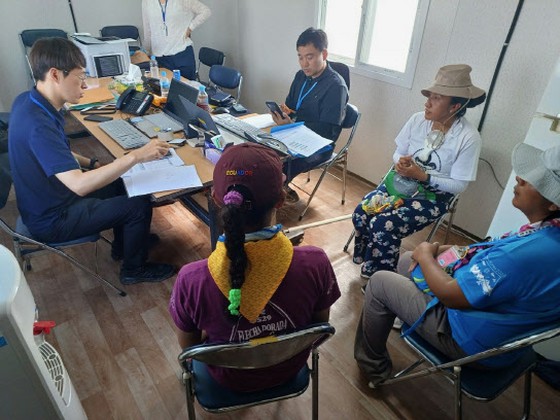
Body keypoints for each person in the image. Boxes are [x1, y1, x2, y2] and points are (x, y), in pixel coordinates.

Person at [354, 143, 560, 388]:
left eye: (534, 179)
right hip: (499, 330)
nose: (519, 178)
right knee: (404, 261)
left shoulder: (526, 254)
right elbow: (484, 250)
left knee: (379, 282)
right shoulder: (546, 234)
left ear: (554, 204)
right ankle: (402, 311)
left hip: (471, 340)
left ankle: (374, 369)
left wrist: (427, 254)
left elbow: (452, 295)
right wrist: (432, 252)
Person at [169, 142, 341, 392]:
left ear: (216, 200)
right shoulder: (316, 263)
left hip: (227, 378)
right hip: (288, 368)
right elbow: (318, 328)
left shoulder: (191, 279)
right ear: (282, 199)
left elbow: (189, 349)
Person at [8, 37, 175, 285]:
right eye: (80, 77)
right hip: (52, 218)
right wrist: (136, 156)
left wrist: (93, 163)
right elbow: (79, 185)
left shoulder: (29, 101)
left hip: (46, 199)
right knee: (138, 205)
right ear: (55, 75)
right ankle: (133, 269)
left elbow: (57, 154)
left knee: (122, 182)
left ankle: (126, 245)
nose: (84, 85)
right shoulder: (38, 125)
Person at [352, 64, 486, 279]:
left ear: (455, 106)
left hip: (433, 196)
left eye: (437, 98)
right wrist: (400, 163)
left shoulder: (468, 138)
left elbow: (460, 185)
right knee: (362, 212)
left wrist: (423, 176)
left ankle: (380, 276)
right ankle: (370, 258)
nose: (427, 103)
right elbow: (398, 153)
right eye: (429, 96)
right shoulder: (417, 120)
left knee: (383, 224)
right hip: (402, 180)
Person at [270, 27, 348, 200]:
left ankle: (275, 192)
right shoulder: (301, 76)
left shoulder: (336, 87)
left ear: (324, 54)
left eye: (310, 57)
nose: (304, 63)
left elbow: (327, 132)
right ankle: (276, 186)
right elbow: (290, 104)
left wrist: (291, 126)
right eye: (300, 56)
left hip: (319, 144)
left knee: (274, 165)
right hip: (292, 134)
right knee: (262, 151)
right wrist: (284, 112)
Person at [142, 0, 211, 80]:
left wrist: (190, 27)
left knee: (187, 89)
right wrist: (147, 52)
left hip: (181, 54)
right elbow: (147, 29)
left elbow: (205, 11)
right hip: (160, 57)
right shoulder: (147, 2)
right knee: (162, 90)